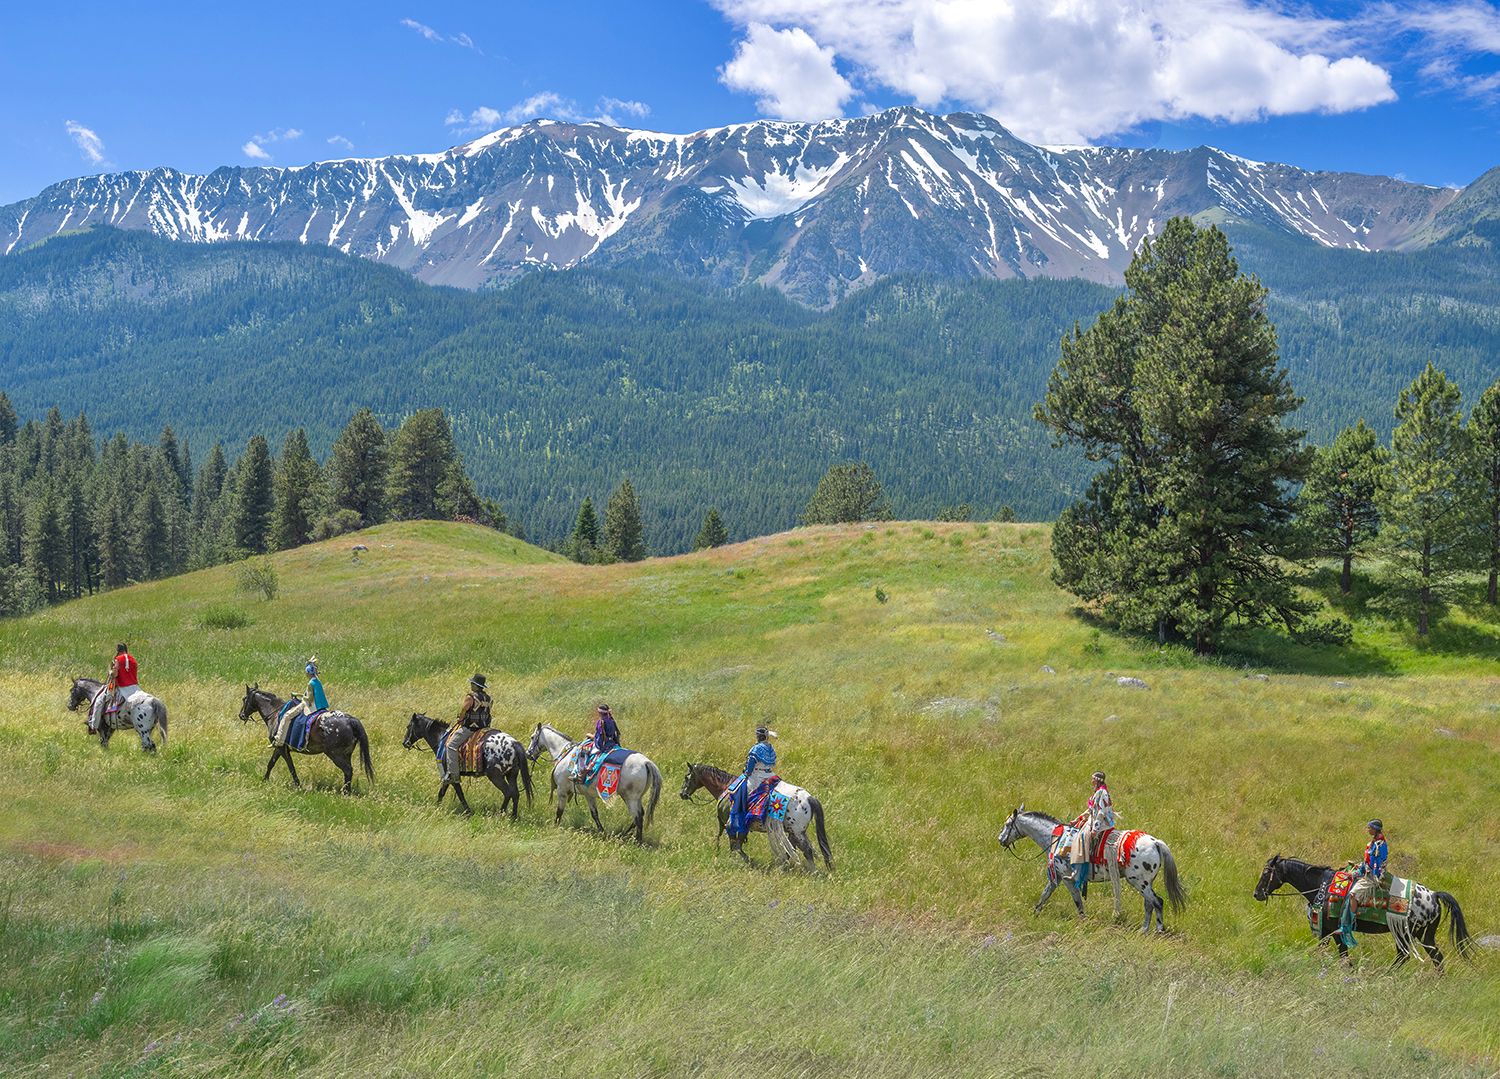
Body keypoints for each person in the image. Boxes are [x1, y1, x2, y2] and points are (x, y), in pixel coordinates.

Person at [1340, 820, 1389, 948]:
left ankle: (1350, 922)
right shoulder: (1374, 843)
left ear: (1375, 829)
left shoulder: (1379, 845)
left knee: (1353, 894)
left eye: (1369, 828)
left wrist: (1358, 873)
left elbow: (1375, 866)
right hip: (1368, 873)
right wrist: (1358, 869)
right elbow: (1367, 862)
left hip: (1373, 878)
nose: (1368, 830)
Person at [728, 725, 777, 847]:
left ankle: (741, 816)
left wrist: (746, 773)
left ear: (758, 736)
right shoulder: (770, 747)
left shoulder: (755, 749)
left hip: (756, 777)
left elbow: (749, 768)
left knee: (740, 791)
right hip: (770, 775)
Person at [1070, 771, 1115, 889]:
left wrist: (1095, 829)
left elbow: (1101, 812)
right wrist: (1078, 819)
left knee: (1082, 837)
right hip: (1094, 819)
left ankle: (1081, 870)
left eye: (1093, 779)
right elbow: (1091, 809)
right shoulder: (1097, 792)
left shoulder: (1102, 793)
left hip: (1102, 823)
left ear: (1097, 780)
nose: (1091, 781)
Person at [443, 674, 492, 781]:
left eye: (472, 683)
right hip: (484, 728)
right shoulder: (488, 698)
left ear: (475, 685)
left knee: (451, 745)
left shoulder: (470, 697)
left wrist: (460, 719)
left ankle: (453, 775)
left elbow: (464, 710)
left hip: (471, 728)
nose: (471, 684)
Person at [273, 657, 328, 748]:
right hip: (320, 705)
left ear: (308, 673)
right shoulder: (317, 681)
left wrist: (299, 696)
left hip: (310, 706)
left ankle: (279, 740)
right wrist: (300, 694)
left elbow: (309, 699)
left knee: (287, 716)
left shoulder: (310, 683)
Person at [91, 643, 139, 734]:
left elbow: (115, 674)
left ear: (118, 650)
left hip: (121, 687)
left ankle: (94, 726)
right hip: (135, 687)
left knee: (99, 701)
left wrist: (110, 672)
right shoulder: (133, 659)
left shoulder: (117, 660)